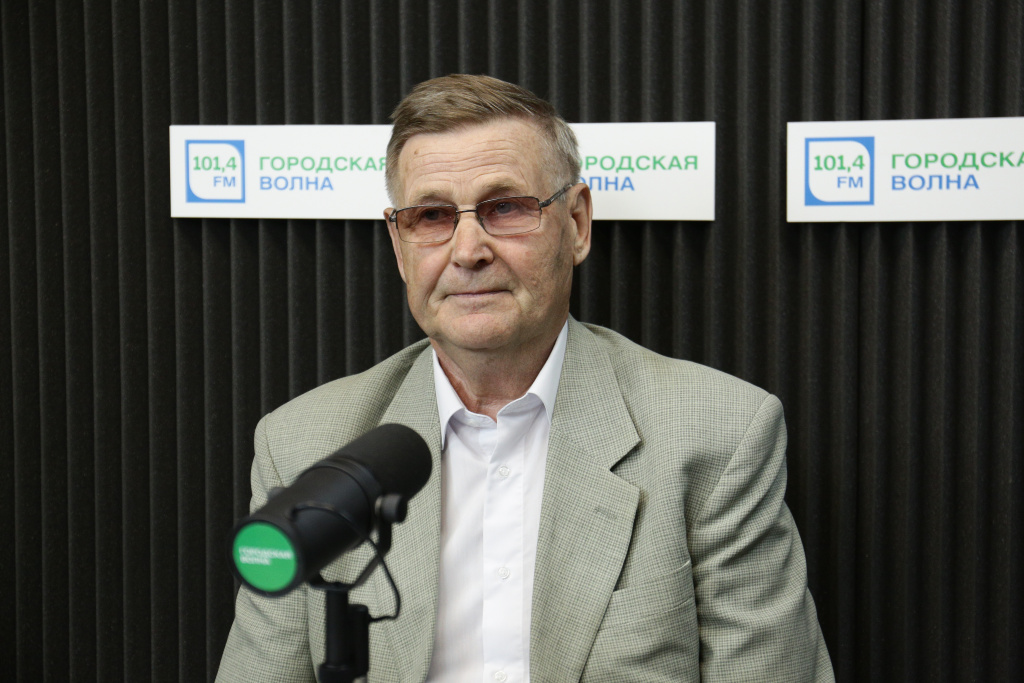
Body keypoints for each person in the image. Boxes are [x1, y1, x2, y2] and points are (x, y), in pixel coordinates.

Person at [217, 74, 834, 682]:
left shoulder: (716, 435)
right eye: (431, 216)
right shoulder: (304, 443)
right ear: (400, 246)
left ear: (578, 223)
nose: (468, 251)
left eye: (505, 208)